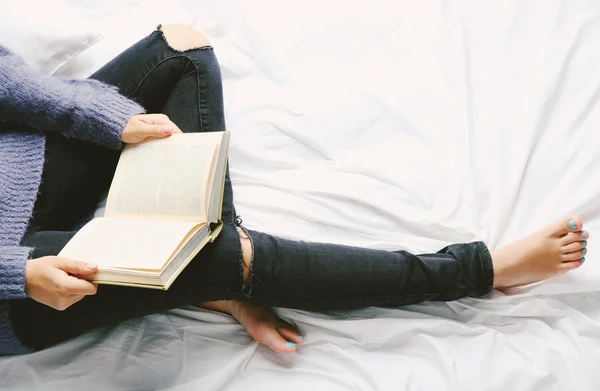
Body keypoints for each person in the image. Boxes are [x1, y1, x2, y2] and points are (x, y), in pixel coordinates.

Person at [0, 24, 590, 356]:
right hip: (14, 284)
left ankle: (215, 273)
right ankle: (475, 271)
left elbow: (12, 82)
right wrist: (16, 275)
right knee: (225, 256)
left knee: (181, 48)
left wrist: (109, 120)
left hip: (19, 173)